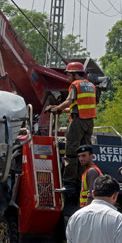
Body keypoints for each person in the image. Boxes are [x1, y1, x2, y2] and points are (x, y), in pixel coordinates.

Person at [50, 62, 97, 191]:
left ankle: (69, 184)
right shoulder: (91, 85)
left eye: (68, 74)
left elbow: (69, 101)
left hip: (78, 121)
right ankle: (82, 181)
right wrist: (62, 110)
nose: (67, 77)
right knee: (84, 152)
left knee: (71, 151)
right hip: (89, 122)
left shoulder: (75, 85)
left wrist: (56, 109)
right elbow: (79, 105)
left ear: (75, 74)